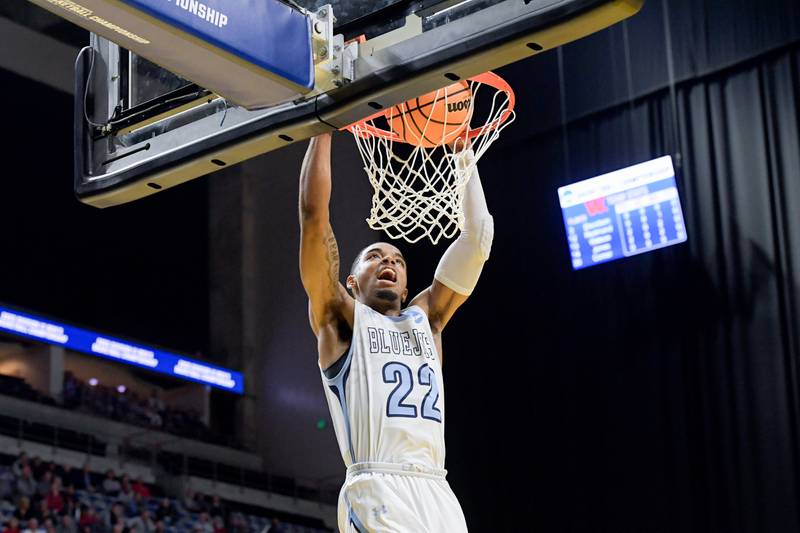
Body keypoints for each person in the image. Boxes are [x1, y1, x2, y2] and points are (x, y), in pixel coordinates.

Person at [298, 134, 492, 531]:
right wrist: (321, 129)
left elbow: (476, 240)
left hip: (437, 492)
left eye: (397, 260)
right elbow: (313, 218)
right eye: (375, 257)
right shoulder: (339, 319)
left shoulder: (428, 318)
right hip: (377, 488)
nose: (388, 261)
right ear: (351, 282)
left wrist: (462, 153)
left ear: (406, 288)